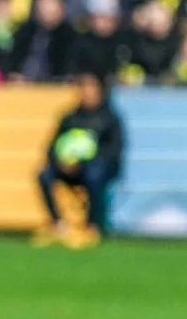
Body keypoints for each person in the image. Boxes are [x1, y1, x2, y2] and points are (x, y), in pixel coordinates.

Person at [35, 71, 125, 248]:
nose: (86, 92)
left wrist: (83, 163)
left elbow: (113, 151)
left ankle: (91, 227)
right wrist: (60, 161)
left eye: (90, 88)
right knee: (44, 174)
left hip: (96, 168)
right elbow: (52, 145)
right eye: (83, 88)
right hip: (67, 167)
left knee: (94, 174)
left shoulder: (110, 119)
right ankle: (57, 224)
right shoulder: (70, 118)